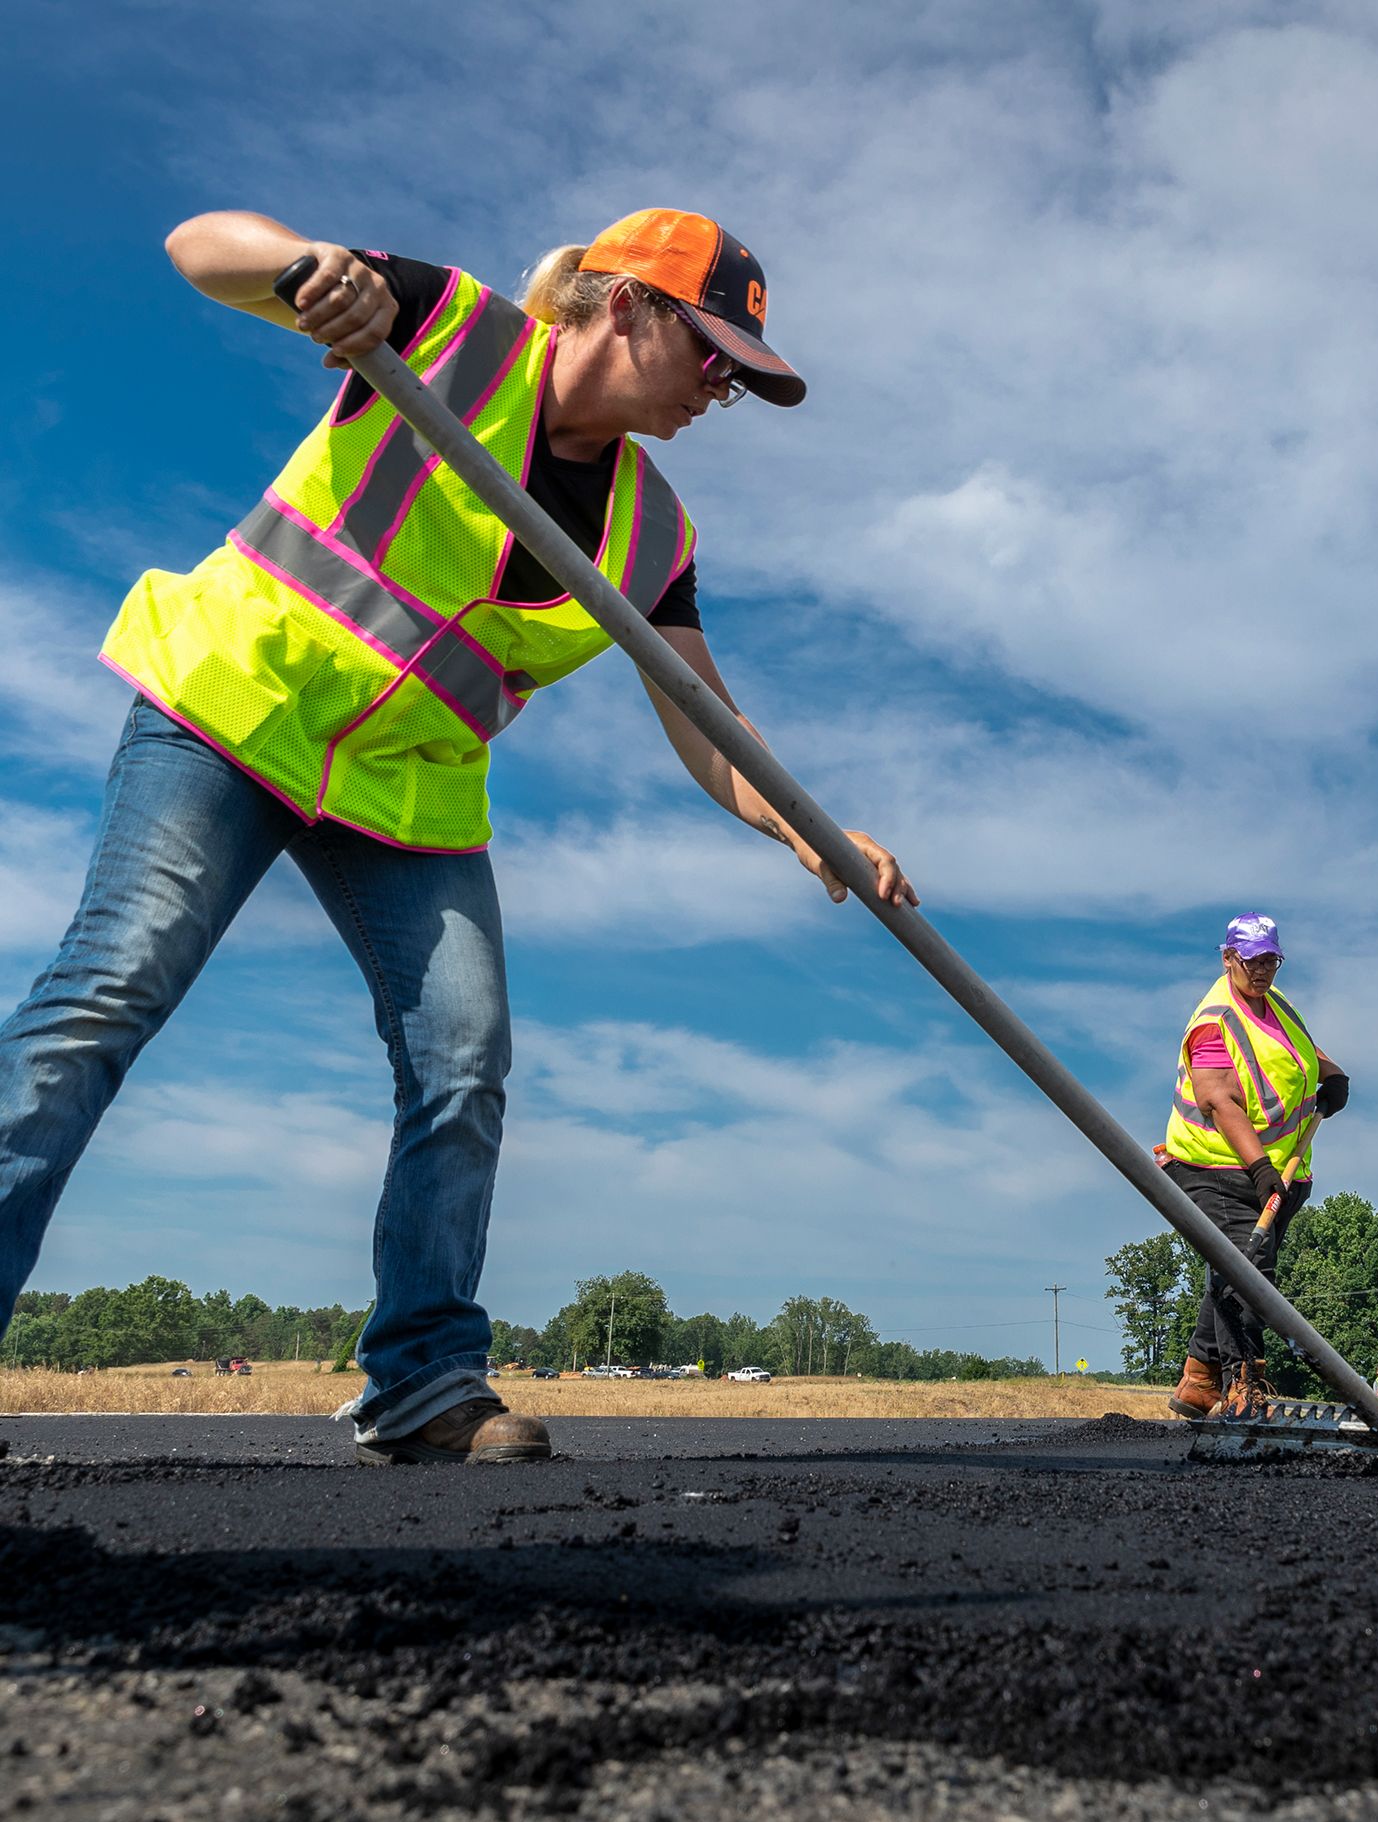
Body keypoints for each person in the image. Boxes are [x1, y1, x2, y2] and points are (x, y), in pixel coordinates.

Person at [0, 208, 916, 1465]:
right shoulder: (449, 330)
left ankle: (423, 1381)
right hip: (235, 704)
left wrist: (807, 828)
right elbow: (196, 245)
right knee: (108, 993)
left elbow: (704, 716)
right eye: (711, 359)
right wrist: (311, 276)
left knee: (462, 1061)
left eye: (739, 381)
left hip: (404, 792)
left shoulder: (655, 535)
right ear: (625, 306)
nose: (722, 394)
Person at [1161, 914, 1348, 1420]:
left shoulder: (1274, 1002)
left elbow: (1299, 1048)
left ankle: (1199, 1379)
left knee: (1237, 1266)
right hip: (1213, 1165)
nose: (1262, 970)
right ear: (1228, 959)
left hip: (1279, 1169)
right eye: (1252, 962)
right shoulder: (1213, 1021)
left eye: (1270, 960)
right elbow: (1219, 1101)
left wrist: (1331, 1075)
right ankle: (1244, 1384)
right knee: (1249, 1273)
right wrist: (1262, 1168)